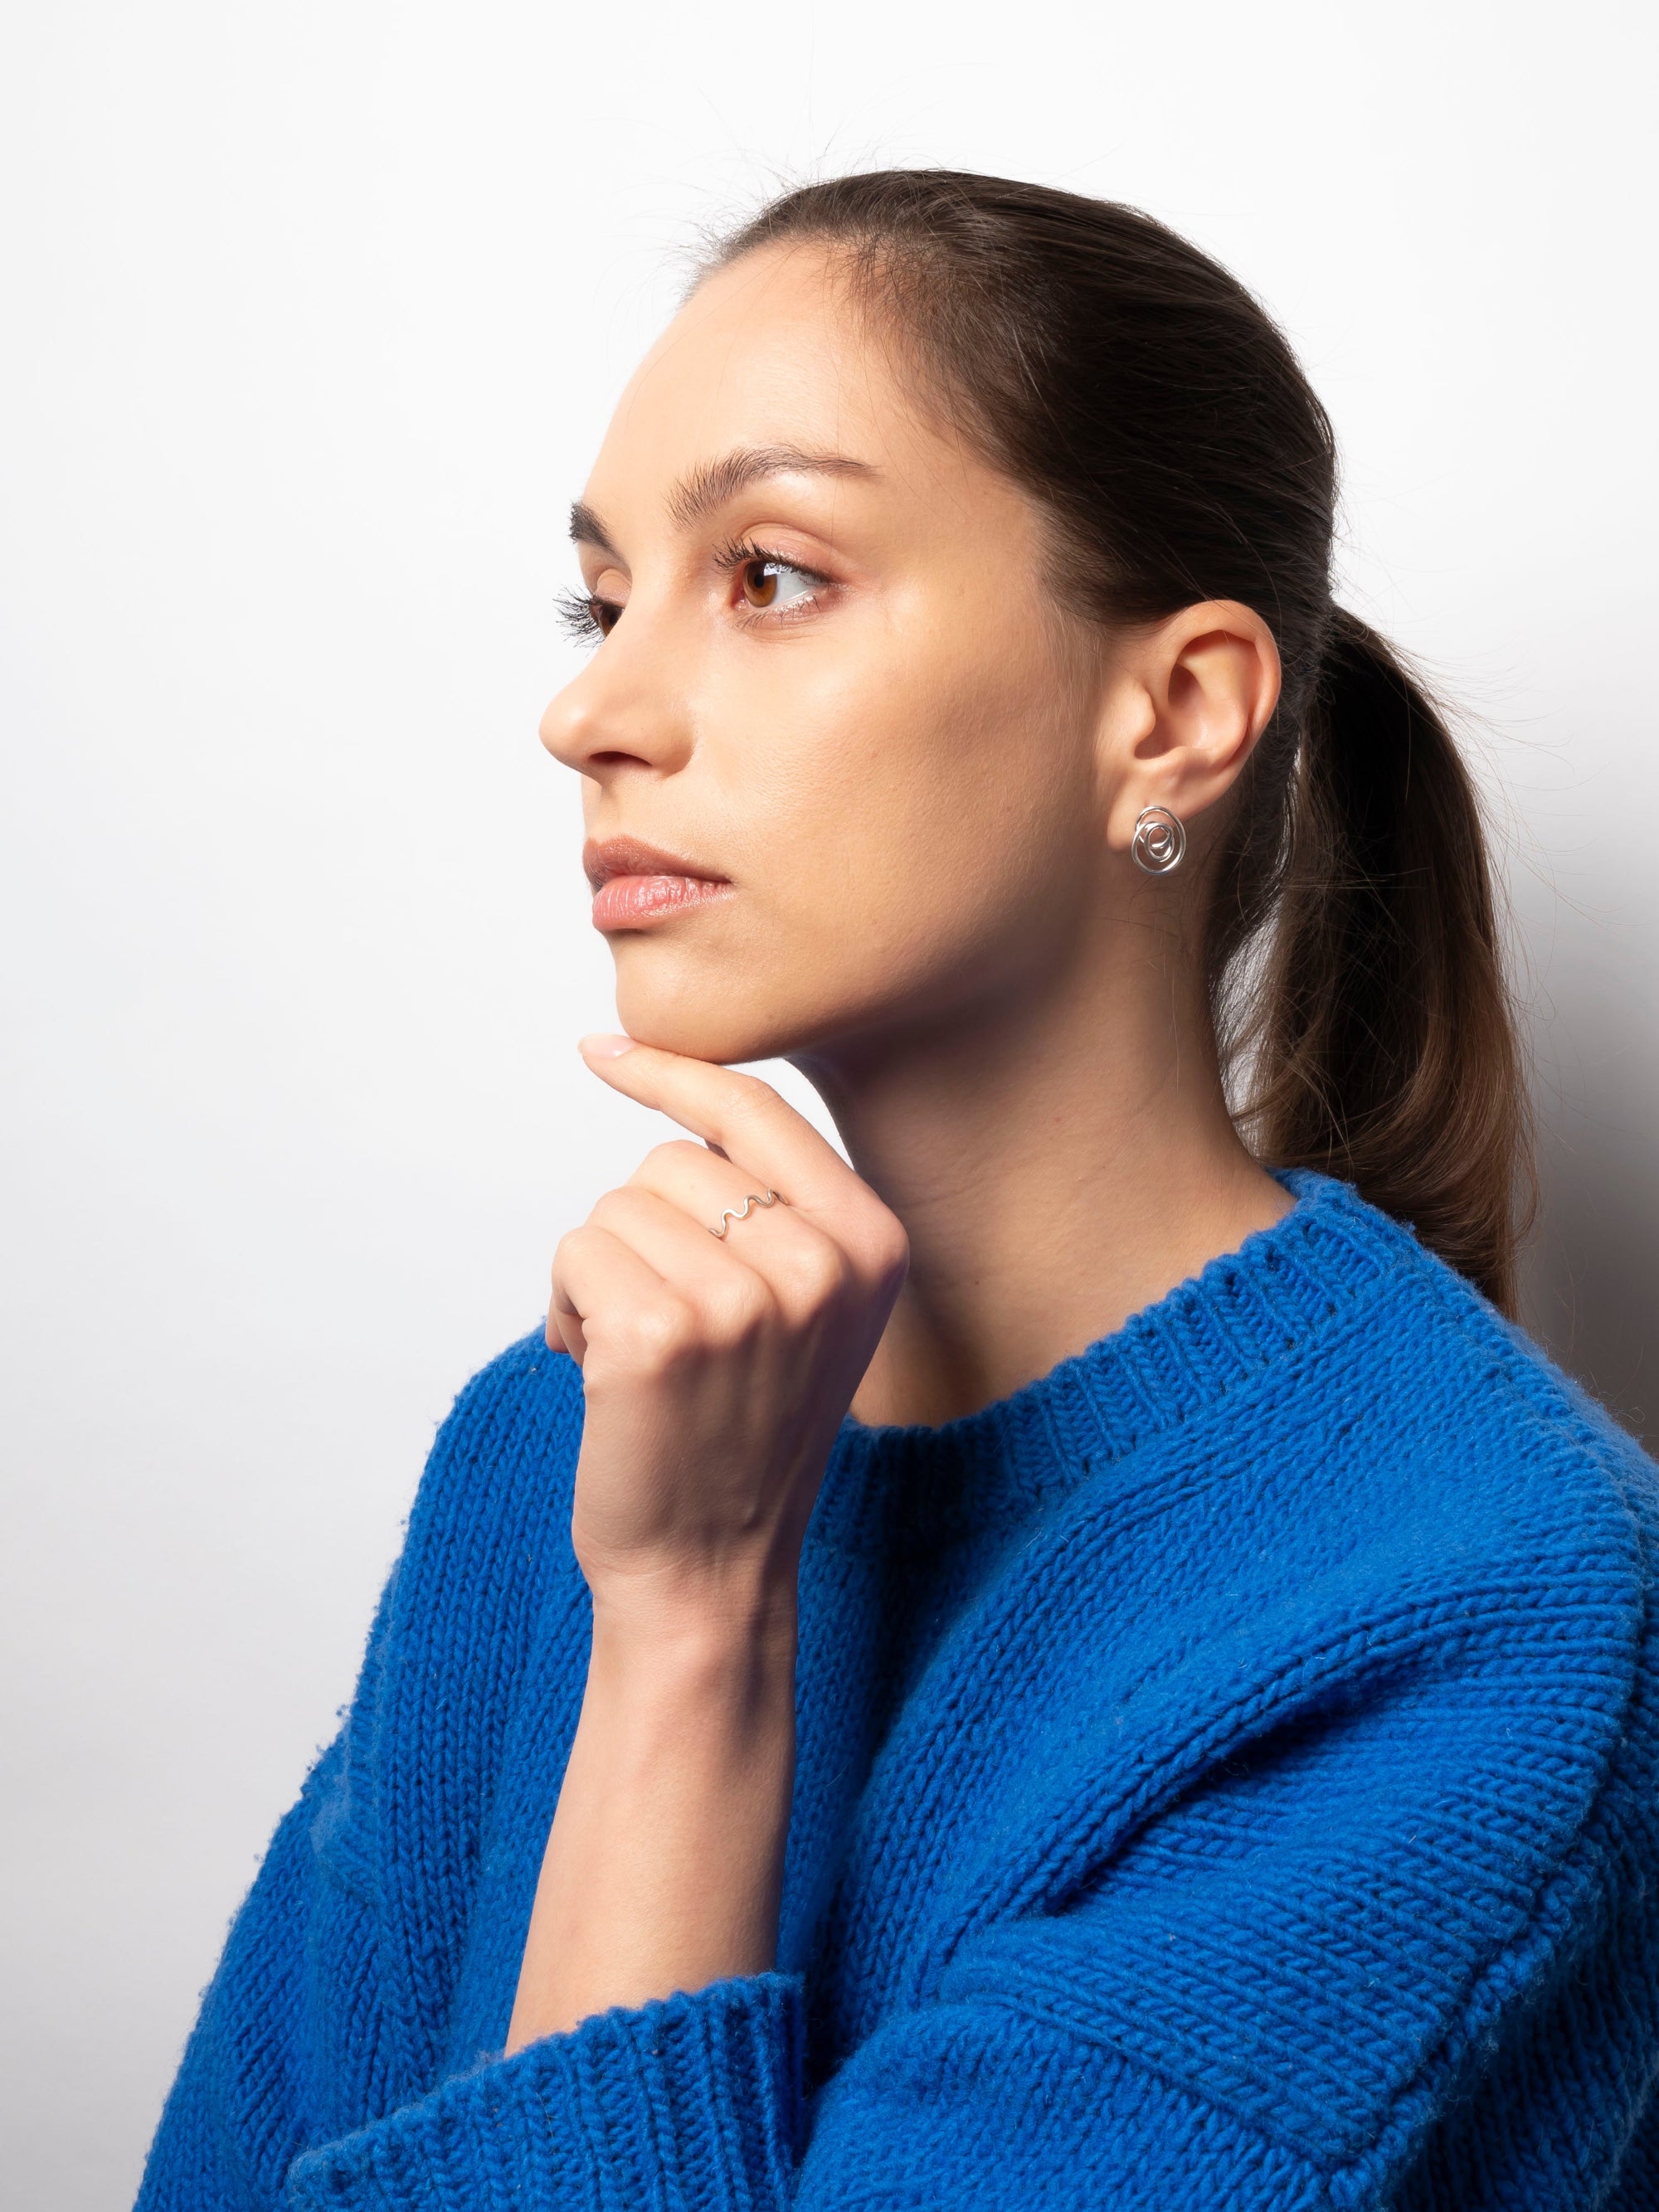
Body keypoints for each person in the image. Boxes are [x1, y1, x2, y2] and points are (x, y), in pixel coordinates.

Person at [134, 172, 1658, 2210]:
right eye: (604, 600)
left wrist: (693, 1628)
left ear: (1174, 713)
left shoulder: (1485, 1615)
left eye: (770, 574)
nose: (589, 712)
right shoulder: (559, 1446)